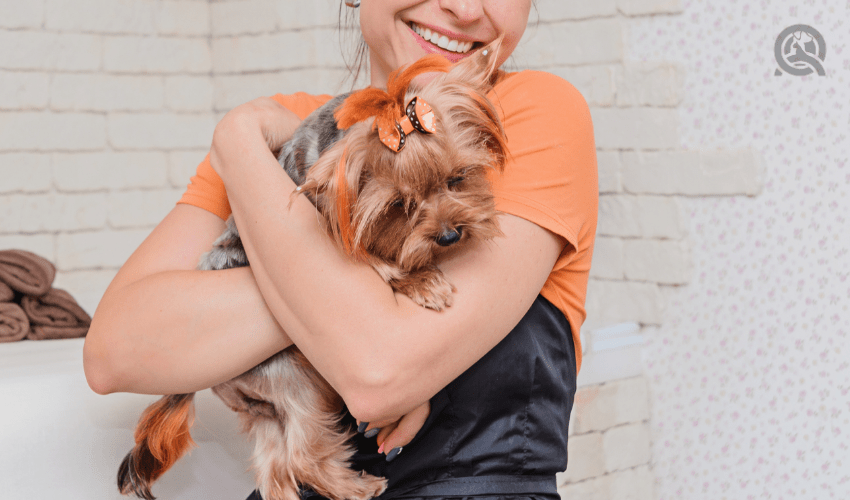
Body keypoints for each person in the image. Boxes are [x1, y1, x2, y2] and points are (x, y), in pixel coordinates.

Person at [83, 0, 598, 498]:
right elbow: (114, 352)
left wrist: (246, 165)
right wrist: (238, 142)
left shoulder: (529, 112)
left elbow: (377, 370)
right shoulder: (288, 134)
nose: (464, 8)